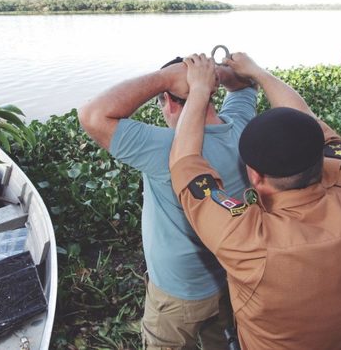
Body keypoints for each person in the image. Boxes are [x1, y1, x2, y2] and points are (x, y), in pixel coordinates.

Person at [169, 53, 341, 349]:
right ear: (318, 160)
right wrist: (256, 72)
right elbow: (310, 123)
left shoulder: (248, 241)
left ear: (254, 176)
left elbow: (185, 163)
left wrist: (199, 88)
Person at [77, 56, 257, 349]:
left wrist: (171, 77)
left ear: (169, 102)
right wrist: (213, 73)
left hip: (179, 293)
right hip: (231, 279)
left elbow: (92, 115)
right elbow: (245, 85)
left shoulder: (164, 148)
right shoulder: (241, 128)